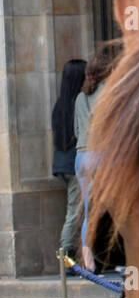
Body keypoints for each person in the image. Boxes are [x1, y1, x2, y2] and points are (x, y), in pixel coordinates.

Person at [74, 51, 113, 270]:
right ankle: (117, 260)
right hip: (102, 154)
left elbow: (77, 130)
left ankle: (89, 264)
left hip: (81, 156)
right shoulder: (108, 92)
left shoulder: (80, 96)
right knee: (115, 208)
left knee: (89, 210)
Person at [51, 58, 86, 256]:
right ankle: (65, 256)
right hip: (73, 164)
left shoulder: (60, 105)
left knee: (75, 209)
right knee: (74, 210)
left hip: (61, 163)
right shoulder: (78, 102)